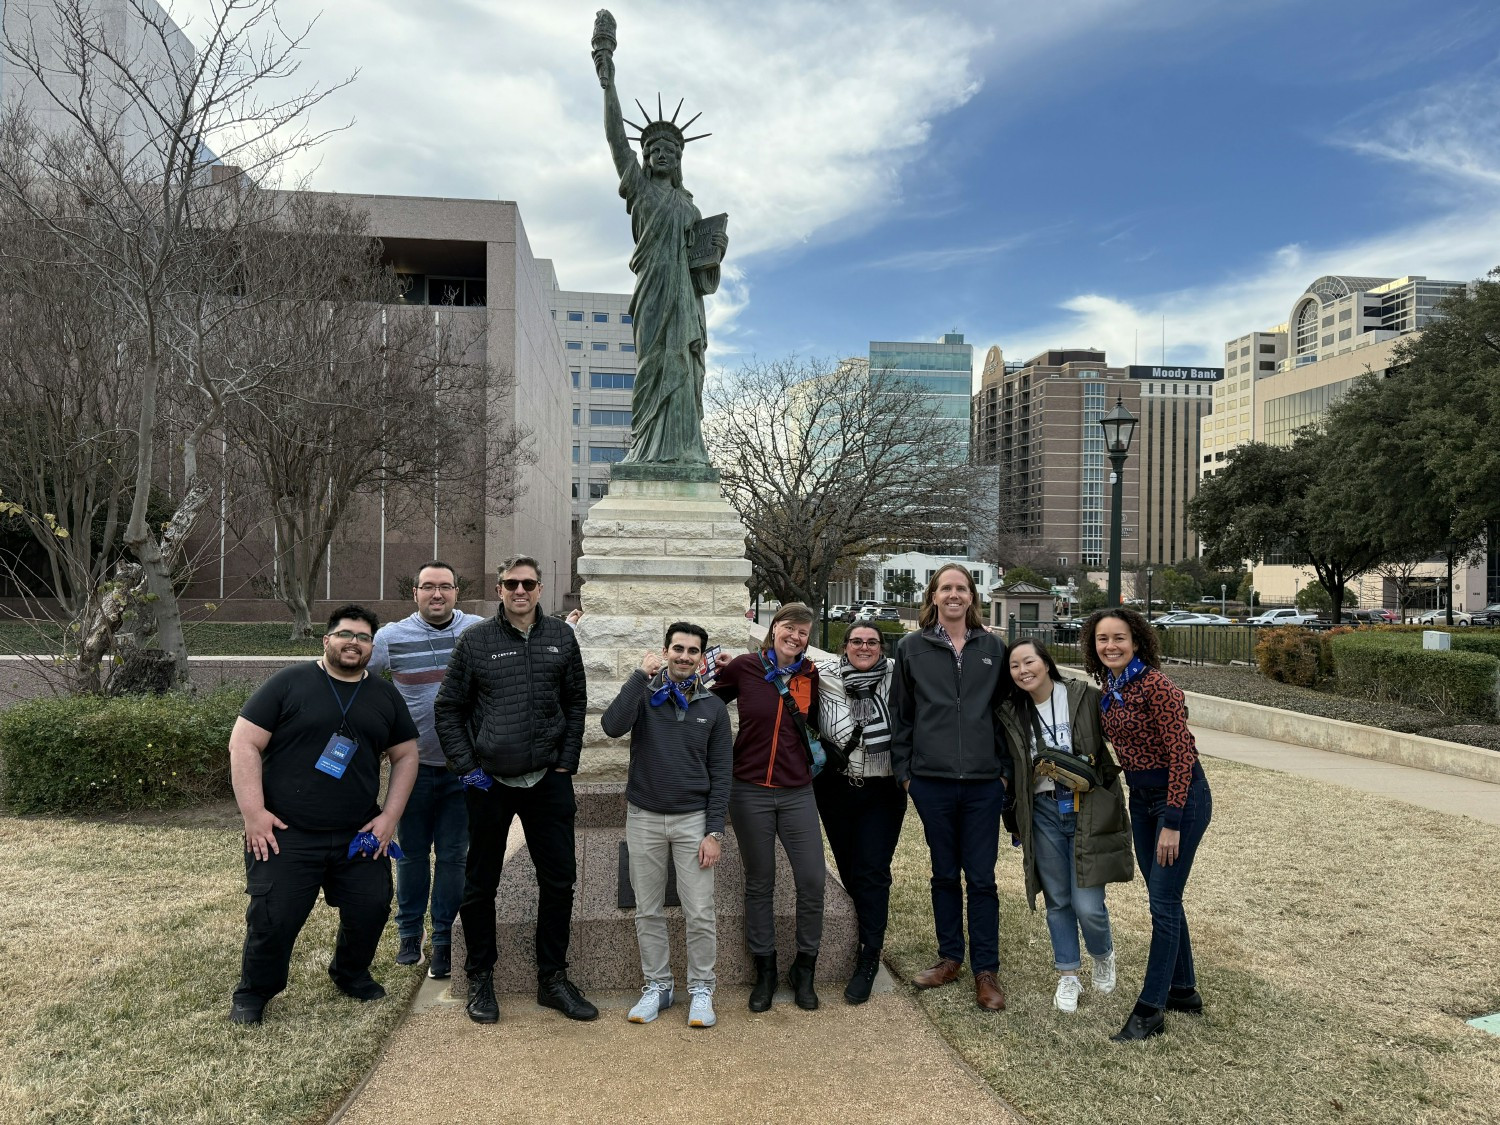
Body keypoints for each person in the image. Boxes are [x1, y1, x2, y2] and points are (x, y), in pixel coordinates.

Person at [227, 605, 420, 1025]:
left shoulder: (384, 695)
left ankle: (350, 973)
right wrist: (253, 813)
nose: (354, 642)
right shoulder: (289, 683)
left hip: (358, 832)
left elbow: (406, 756)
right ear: (326, 640)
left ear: (373, 646)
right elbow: (243, 744)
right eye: (346, 634)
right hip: (285, 832)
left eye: (364, 637)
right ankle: (254, 992)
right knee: (273, 918)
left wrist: (389, 817)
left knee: (371, 907)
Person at [433, 554, 593, 1025]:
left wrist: (566, 763)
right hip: (489, 783)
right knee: (481, 884)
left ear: (540, 588)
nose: (519, 591)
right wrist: (468, 770)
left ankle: (553, 978)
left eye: (528, 583)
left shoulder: (561, 637)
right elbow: (449, 709)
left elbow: (576, 702)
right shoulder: (475, 641)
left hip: (547, 780)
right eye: (510, 584)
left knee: (559, 882)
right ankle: (480, 976)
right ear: (500, 588)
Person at [594, 15, 727, 471]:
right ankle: (647, 448)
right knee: (652, 366)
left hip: (686, 301)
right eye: (654, 149)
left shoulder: (690, 209)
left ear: (679, 158)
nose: (662, 153)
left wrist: (714, 255)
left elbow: (702, 275)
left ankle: (686, 450)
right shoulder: (640, 188)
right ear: (647, 158)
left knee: (686, 374)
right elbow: (615, 138)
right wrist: (608, 77)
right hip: (653, 291)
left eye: (670, 148)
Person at [1081, 608, 1213, 1042]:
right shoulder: (1111, 686)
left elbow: (1181, 755)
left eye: (1119, 638)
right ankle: (1184, 990)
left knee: (1162, 902)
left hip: (1180, 802)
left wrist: (1172, 822)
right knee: (1166, 897)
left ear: (1136, 641)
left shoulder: (1157, 686)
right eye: (1103, 639)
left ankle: (1151, 1008)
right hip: (1141, 800)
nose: (1111, 646)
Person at [890, 563, 1013, 1011]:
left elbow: (1005, 714)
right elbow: (902, 714)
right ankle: (949, 958)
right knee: (944, 874)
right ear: (934, 596)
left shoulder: (993, 648)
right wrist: (907, 774)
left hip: (984, 783)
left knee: (981, 878)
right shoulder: (911, 647)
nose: (954, 595)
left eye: (962, 588)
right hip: (932, 782)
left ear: (972, 597)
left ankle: (986, 970)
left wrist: (1002, 772)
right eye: (946, 588)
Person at [601, 622, 732, 1029]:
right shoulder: (646, 695)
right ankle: (658, 985)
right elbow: (611, 726)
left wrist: (714, 831)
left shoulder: (713, 707)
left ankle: (701, 989)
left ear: (701, 659)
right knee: (648, 910)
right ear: (665, 651)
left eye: (694, 651)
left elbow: (721, 773)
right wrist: (640, 675)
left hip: (693, 820)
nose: (684, 656)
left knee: (700, 911)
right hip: (644, 817)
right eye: (678, 649)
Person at [998, 638, 1132, 1014]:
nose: (1024, 671)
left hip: (1087, 808)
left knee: (1087, 904)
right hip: (1042, 811)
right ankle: (1068, 975)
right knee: (1057, 900)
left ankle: (1103, 954)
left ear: (1046, 662)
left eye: (1029, 662)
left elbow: (1120, 733)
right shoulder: (1010, 712)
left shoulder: (1083, 697)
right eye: (1015, 666)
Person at [367, 561, 485, 982]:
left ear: (457, 592)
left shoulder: (478, 631)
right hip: (410, 769)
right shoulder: (390, 637)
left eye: (446, 587)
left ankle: (443, 941)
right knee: (412, 855)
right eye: (429, 587)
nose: (438, 594)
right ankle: (408, 932)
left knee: (454, 857)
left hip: (462, 769)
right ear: (414, 592)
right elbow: (355, 676)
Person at [711, 602, 826, 1011]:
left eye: (803, 633)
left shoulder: (811, 673)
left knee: (812, 880)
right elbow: (707, 703)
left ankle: (805, 967)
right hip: (750, 790)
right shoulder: (745, 667)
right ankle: (765, 971)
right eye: (789, 628)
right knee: (760, 881)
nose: (796, 637)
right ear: (774, 628)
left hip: (797, 791)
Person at [813, 622, 906, 1004]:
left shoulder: (900, 676)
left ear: (882, 647)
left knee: (872, 871)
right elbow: (777, 667)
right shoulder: (824, 676)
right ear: (844, 645)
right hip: (835, 789)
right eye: (856, 641)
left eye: (872, 641)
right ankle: (859, 935)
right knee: (850, 871)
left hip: (883, 789)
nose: (864, 647)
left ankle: (869, 957)